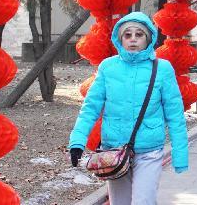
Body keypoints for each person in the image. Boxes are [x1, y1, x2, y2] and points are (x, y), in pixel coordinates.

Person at [68, 12, 189, 204]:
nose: (133, 39)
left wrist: (180, 153)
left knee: (144, 201)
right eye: (127, 34)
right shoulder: (108, 67)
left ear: (148, 38)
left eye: (139, 34)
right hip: (114, 151)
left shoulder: (162, 69)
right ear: (120, 38)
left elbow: (175, 114)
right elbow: (90, 108)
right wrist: (77, 141)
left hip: (149, 151)